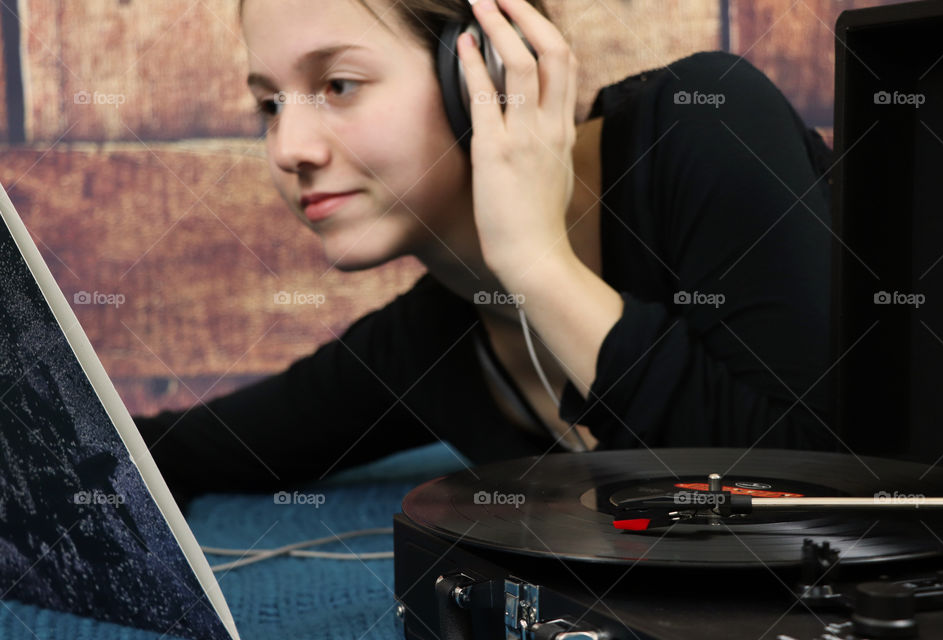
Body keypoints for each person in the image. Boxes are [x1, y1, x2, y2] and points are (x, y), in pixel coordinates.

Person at [133, 0, 837, 504]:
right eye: (270, 105)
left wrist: (537, 266)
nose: (289, 150)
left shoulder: (703, 124)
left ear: (486, 71)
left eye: (337, 85)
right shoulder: (433, 342)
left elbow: (808, 494)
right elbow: (183, 450)